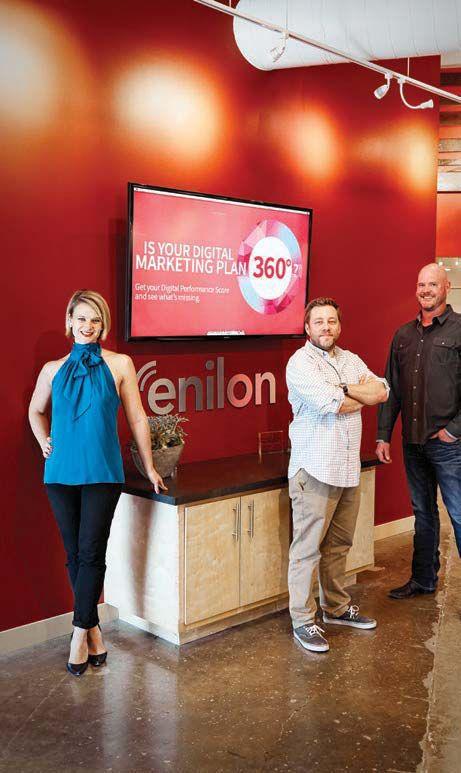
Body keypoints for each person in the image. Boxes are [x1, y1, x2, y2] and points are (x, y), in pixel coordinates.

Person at [29, 289, 166, 675]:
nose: (88, 326)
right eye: (82, 318)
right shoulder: (52, 370)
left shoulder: (120, 363)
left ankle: (78, 634)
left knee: (91, 552)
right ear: (69, 321)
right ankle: (92, 629)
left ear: (102, 325)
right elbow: (35, 410)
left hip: (103, 472)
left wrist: (149, 466)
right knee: (74, 554)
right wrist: (43, 440)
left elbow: (137, 416)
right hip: (60, 474)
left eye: (95, 319)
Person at [286, 297, 388, 652]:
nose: (326, 327)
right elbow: (334, 404)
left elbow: (382, 390)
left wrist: (345, 388)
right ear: (307, 327)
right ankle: (303, 621)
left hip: (347, 469)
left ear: (339, 326)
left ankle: (336, 608)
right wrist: (354, 394)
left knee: (338, 546)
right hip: (314, 469)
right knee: (307, 551)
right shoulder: (300, 363)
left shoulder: (350, 359)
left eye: (331, 321)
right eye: (319, 322)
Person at [376, 263, 461, 599]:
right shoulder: (403, 336)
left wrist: (453, 431)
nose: (426, 290)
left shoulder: (459, 330)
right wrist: (383, 434)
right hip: (412, 443)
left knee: (459, 515)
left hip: (449, 445)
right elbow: (392, 389)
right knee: (423, 514)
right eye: (421, 285)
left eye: (433, 284)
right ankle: (424, 579)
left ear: (446, 287)